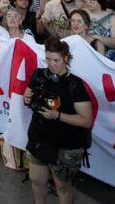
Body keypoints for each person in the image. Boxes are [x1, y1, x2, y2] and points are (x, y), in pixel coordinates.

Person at [23, 38, 93, 204]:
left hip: (66, 145)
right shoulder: (39, 75)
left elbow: (86, 120)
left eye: (56, 60)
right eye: (48, 59)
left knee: (62, 186)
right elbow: (28, 98)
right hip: (39, 138)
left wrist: (58, 116)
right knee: (36, 180)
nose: (51, 64)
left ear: (66, 58)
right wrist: (27, 99)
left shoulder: (76, 85)